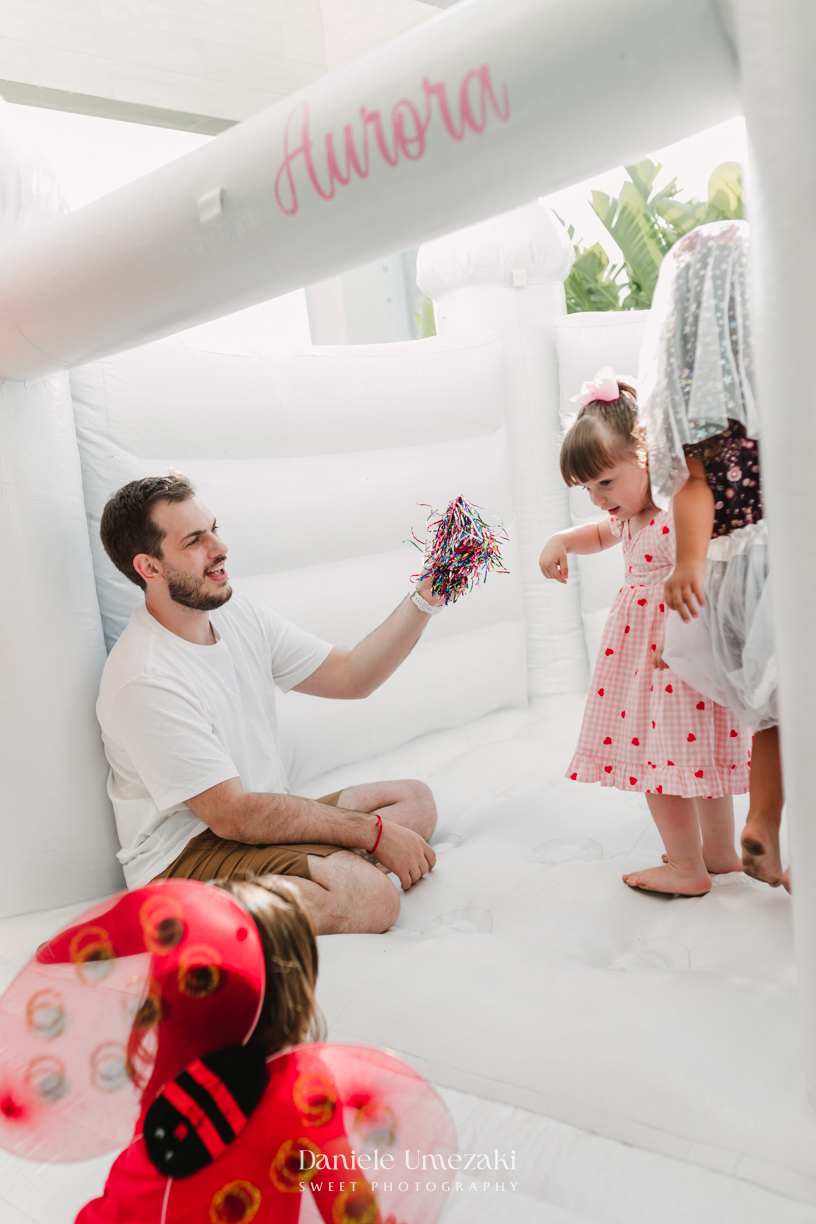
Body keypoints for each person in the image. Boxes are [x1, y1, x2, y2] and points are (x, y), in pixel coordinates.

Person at [97, 473, 444, 935]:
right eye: (196, 540)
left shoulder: (236, 614)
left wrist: (425, 600)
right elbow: (231, 814)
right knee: (372, 898)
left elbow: (351, 676)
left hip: (257, 824)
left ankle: (318, 872)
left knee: (414, 800)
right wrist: (373, 835)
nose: (219, 547)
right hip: (187, 853)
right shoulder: (145, 678)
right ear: (151, 568)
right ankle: (174, 924)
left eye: (214, 529)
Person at [0, 877, 454, 1222]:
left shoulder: (168, 1076)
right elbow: (351, 1207)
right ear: (293, 994)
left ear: (167, 1002)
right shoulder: (304, 1088)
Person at [539, 369, 751, 896]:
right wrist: (561, 539)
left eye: (605, 482)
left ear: (650, 457)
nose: (597, 498)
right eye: (587, 487)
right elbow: (595, 533)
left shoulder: (674, 515)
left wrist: (681, 642)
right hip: (658, 658)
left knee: (663, 766)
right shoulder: (631, 516)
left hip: (672, 658)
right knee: (695, 757)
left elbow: (708, 576)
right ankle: (719, 855)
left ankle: (688, 868)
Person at [638, 221, 786, 890]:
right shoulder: (779, 379)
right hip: (783, 564)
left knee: (772, 713)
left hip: (728, 575)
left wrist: (692, 564)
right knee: (791, 704)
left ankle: (765, 823)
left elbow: (694, 489)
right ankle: (774, 826)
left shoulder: (703, 411)